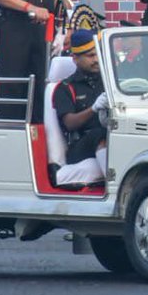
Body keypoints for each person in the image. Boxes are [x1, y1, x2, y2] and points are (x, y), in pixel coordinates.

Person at [52, 29, 110, 185]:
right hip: (80, 145)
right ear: (75, 58)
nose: (97, 59)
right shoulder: (65, 87)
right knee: (100, 134)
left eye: (98, 54)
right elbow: (69, 123)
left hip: (111, 135)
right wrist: (94, 109)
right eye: (91, 56)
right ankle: (116, 187)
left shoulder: (109, 82)